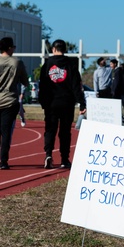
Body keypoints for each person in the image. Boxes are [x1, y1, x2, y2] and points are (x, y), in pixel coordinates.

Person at [39, 39, 86, 170]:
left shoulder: (47, 64)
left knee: (50, 130)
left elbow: (42, 85)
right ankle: (64, 159)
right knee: (65, 132)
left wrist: (43, 102)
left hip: (51, 103)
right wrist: (82, 103)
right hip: (67, 102)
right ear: (65, 50)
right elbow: (76, 85)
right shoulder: (71, 64)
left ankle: (48, 154)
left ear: (54, 49)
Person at [0, 36, 28, 170]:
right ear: (9, 48)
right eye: (13, 47)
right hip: (10, 101)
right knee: (6, 132)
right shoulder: (17, 63)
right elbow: (25, 81)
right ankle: (4, 160)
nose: (14, 49)